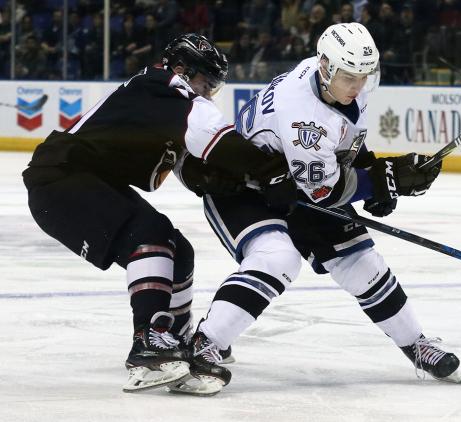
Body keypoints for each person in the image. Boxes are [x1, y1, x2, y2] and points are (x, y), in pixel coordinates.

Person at [176, 22, 461, 395]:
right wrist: (383, 179)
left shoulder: (334, 83)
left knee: (362, 264)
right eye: (349, 77)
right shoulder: (303, 117)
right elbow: (324, 192)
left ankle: (416, 343)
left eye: (364, 76)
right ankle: (206, 343)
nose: (358, 86)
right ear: (325, 66)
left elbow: (342, 142)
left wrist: (372, 167)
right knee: (277, 259)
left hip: (291, 180)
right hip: (240, 188)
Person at [22, 33, 280, 395]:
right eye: (206, 82)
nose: (208, 92)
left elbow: (196, 169)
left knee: (179, 249)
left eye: (215, 86)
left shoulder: (159, 99)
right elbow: (224, 146)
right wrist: (273, 173)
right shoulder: (167, 89)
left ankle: (175, 337)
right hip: (60, 180)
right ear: (181, 69)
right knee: (150, 233)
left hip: (80, 179)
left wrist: (232, 180)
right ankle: (149, 343)